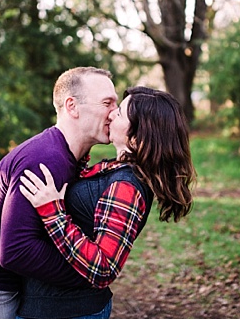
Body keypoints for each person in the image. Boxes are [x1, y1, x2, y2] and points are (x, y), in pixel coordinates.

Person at [0, 67, 118, 318]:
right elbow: (16, 251)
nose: (115, 112)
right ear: (72, 106)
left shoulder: (65, 155)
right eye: (107, 103)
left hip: (7, 287)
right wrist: (85, 275)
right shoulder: (45, 159)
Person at [16, 86, 195, 319]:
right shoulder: (118, 170)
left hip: (68, 313)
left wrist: (53, 213)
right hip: (55, 306)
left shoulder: (127, 187)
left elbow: (104, 267)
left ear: (137, 135)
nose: (111, 114)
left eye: (119, 113)